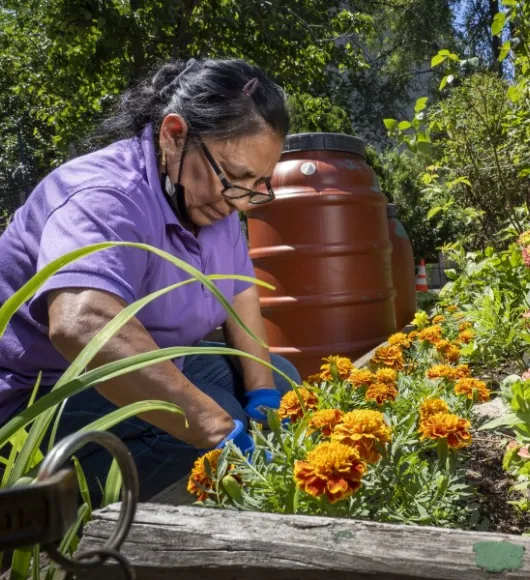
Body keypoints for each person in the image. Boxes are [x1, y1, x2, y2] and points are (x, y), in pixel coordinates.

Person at [0, 58, 300, 500]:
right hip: (44, 395)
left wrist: (263, 395)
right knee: (200, 444)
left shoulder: (213, 205)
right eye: (233, 177)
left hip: (149, 364)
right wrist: (216, 430)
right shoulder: (105, 194)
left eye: (258, 183)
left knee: (283, 381)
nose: (242, 201)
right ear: (174, 135)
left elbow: (239, 293)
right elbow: (81, 323)